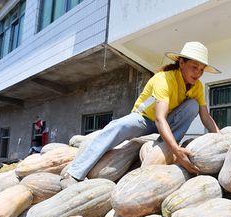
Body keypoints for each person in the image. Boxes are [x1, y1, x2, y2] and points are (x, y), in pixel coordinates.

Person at [67, 41, 221, 180]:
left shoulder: (198, 87)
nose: (198, 73)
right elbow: (159, 118)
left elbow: (205, 116)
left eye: (201, 70)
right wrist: (176, 151)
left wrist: (222, 138)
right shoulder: (164, 79)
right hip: (144, 119)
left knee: (193, 105)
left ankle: (165, 147)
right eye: (194, 67)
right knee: (119, 126)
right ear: (181, 63)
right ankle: (74, 173)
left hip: (167, 123)